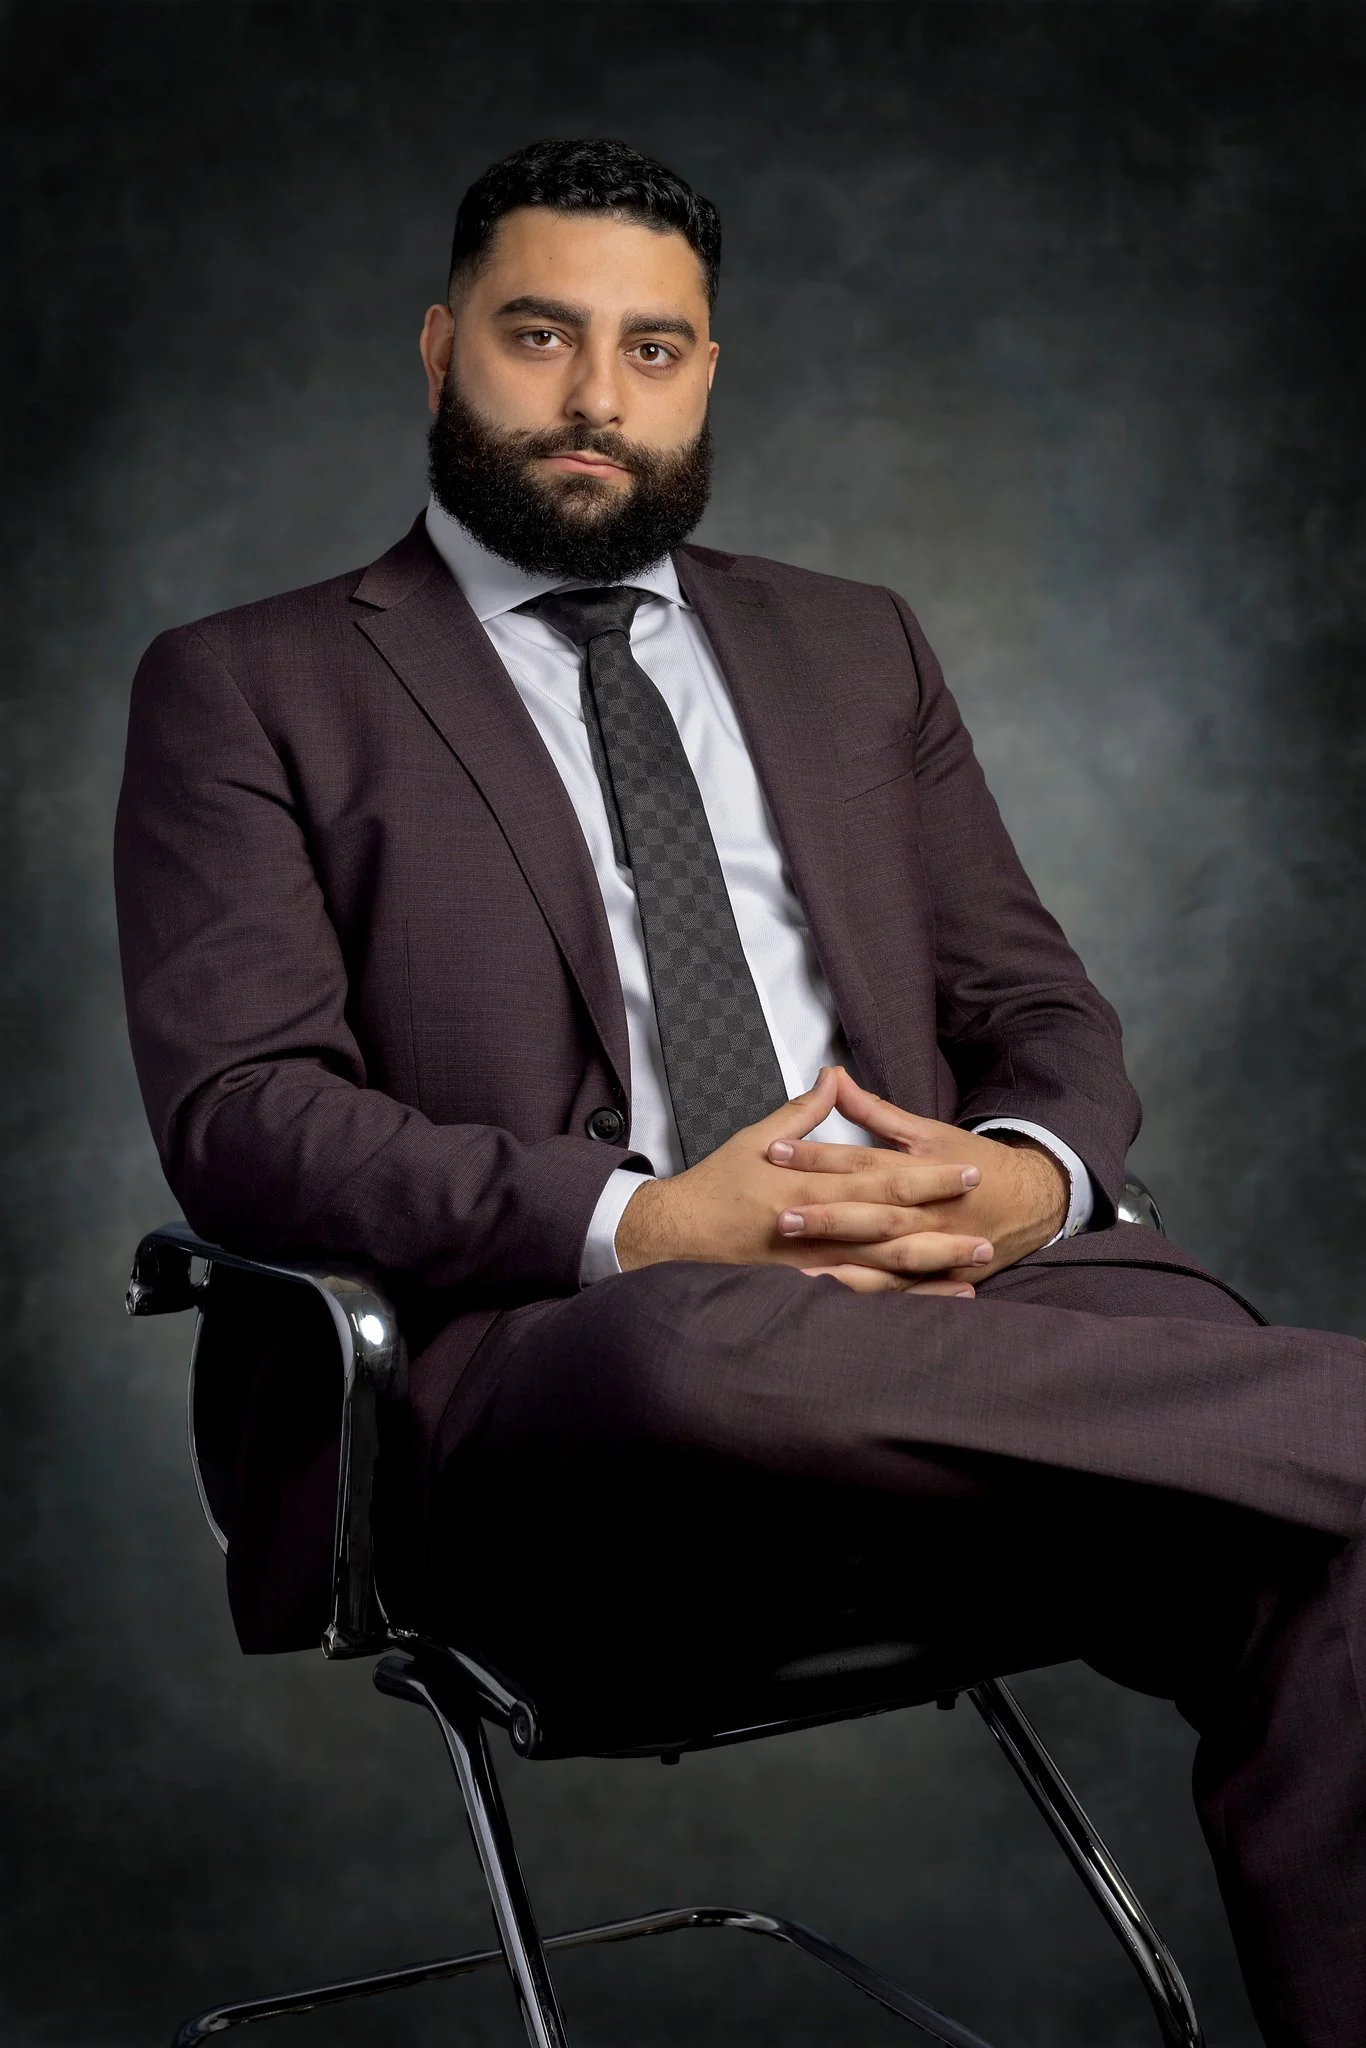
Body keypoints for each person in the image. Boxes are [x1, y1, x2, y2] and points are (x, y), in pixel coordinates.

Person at [114, 138, 1365, 2046]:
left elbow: (1034, 1007)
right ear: (443, 349)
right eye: (542, 336)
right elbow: (244, 1115)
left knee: (1332, 1551)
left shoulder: (853, 641)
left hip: (966, 1323)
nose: (598, 397)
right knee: (700, 1346)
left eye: (656, 349)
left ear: (709, 373)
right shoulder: (248, 685)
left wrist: (1024, 1185)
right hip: (562, 1374)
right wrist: (651, 1224)